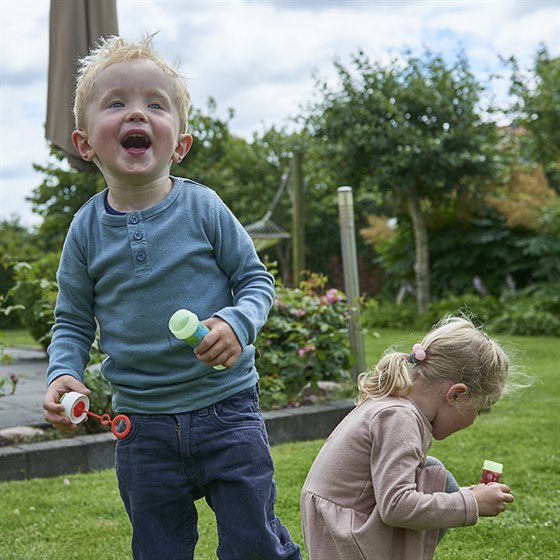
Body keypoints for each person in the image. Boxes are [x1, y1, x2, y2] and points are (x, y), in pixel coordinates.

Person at [43, 34, 301, 560]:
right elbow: (72, 320)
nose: (136, 112)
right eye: (116, 103)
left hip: (227, 409)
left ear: (179, 143)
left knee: (254, 542)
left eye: (154, 104)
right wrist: (63, 372)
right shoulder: (85, 230)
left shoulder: (203, 208)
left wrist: (236, 323)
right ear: (85, 142)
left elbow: (256, 281)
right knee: (158, 548)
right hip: (142, 427)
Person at [300, 316, 517, 560]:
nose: (474, 419)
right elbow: (396, 507)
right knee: (437, 476)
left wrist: (467, 494)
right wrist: (471, 504)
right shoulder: (399, 418)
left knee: (434, 473)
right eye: (478, 409)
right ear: (455, 395)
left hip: (345, 524)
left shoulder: (397, 407)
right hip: (347, 537)